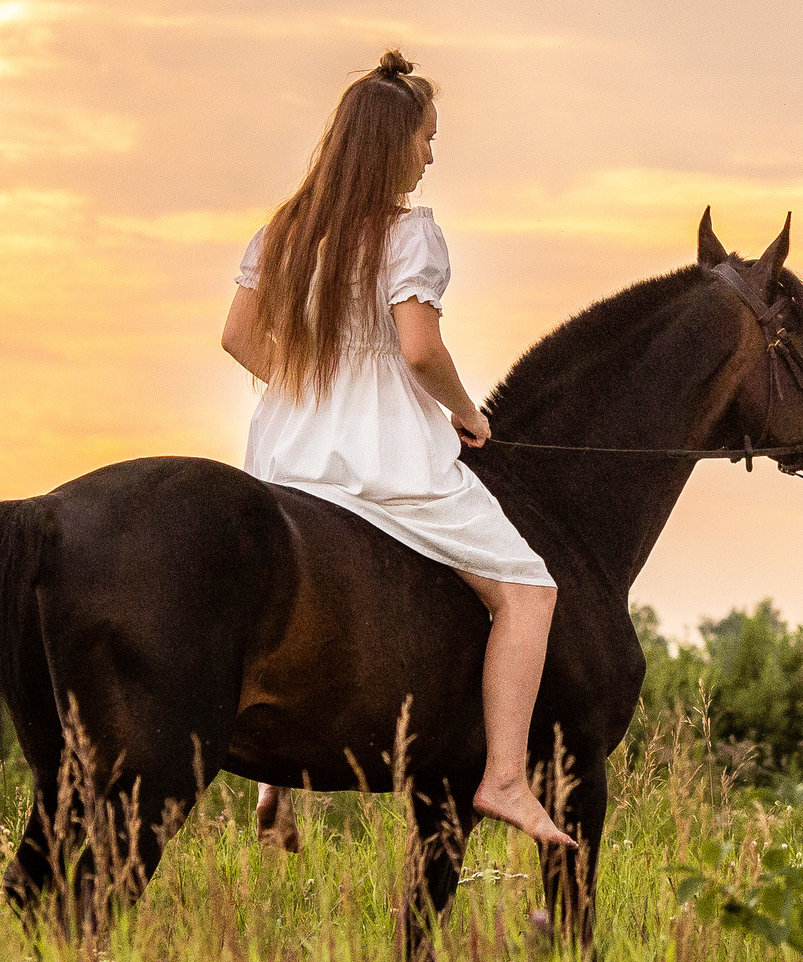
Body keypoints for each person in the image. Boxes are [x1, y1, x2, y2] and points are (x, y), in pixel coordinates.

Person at [221, 52, 576, 851]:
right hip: (382, 455)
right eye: (426, 138)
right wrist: (465, 411)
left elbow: (237, 337)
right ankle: (507, 779)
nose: (431, 155)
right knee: (528, 592)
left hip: (288, 453)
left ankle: (272, 782)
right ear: (391, 144)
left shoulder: (281, 229)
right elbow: (418, 350)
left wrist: (314, 392)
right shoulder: (411, 233)